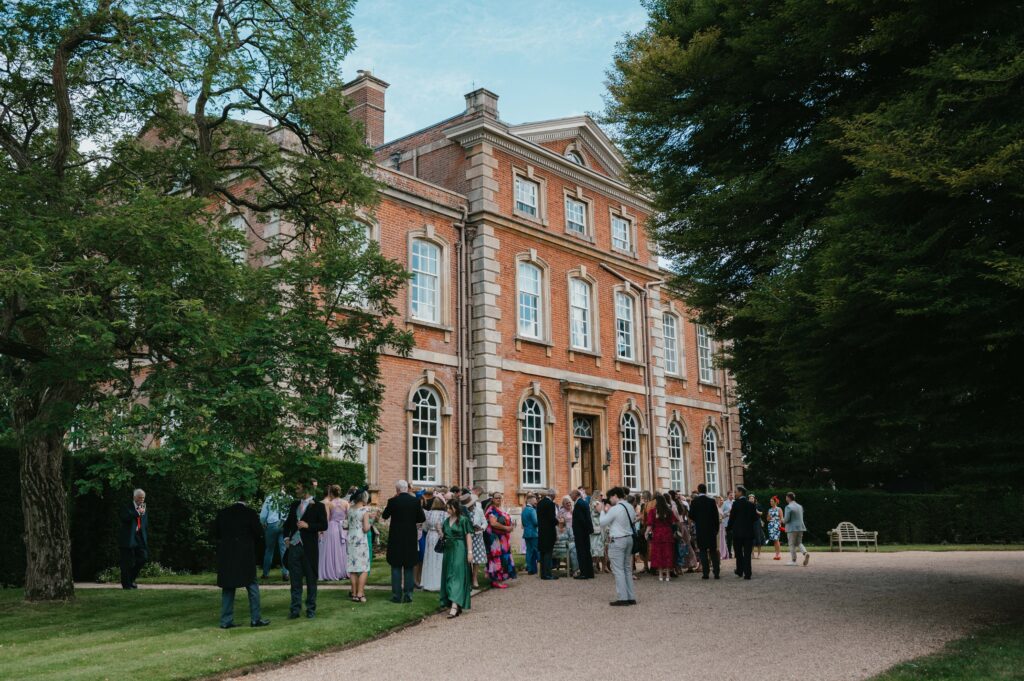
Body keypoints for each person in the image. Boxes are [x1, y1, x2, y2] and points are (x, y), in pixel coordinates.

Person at [213, 493, 269, 629]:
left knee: (228, 587)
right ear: (246, 499)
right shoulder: (250, 513)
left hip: (227, 554)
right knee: (252, 584)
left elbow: (215, 533)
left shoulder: (223, 513)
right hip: (245, 554)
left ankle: (226, 620)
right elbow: (259, 533)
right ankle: (255, 619)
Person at [282, 480, 328, 619]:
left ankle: (311, 609)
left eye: (298, 487)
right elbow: (288, 524)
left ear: (306, 489)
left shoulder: (319, 506)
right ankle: (295, 610)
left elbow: (324, 525)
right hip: (294, 547)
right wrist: (286, 538)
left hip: (309, 548)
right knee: (295, 580)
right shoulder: (295, 504)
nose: (296, 490)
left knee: (310, 580)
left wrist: (308, 525)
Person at [382, 479, 427, 603]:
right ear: (407, 488)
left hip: (396, 537)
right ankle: (408, 595)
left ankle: (396, 596)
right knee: (408, 566)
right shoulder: (415, 501)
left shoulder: (392, 501)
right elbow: (421, 518)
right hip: (410, 537)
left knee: (396, 566)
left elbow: (384, 516)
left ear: (397, 490)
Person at [599, 487, 636, 606]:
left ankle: (623, 598)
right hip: (629, 538)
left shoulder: (615, 509)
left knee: (618, 570)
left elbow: (602, 523)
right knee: (627, 569)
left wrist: (602, 511)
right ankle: (631, 596)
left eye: (610, 497)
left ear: (615, 496)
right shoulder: (630, 507)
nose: (610, 500)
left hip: (618, 539)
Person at [439, 498, 474, 619]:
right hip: (448, 550)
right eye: (447, 508)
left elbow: (468, 536)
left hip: (460, 549)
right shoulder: (445, 521)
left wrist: (470, 552)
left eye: (449, 507)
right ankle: (455, 602)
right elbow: (444, 537)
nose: (447, 510)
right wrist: (439, 531)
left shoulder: (463, 520)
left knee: (457, 576)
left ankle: (454, 605)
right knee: (449, 575)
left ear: (455, 508)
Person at [118, 488, 149, 590]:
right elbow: (124, 517)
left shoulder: (144, 507)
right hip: (128, 538)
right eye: (140, 498)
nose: (142, 500)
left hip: (139, 537)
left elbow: (144, 523)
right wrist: (137, 513)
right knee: (127, 562)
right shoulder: (127, 506)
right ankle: (126, 585)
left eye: (143, 498)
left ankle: (130, 579)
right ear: (134, 497)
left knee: (143, 558)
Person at [689, 483, 720, 579]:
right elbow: (716, 516)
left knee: (702, 551)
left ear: (698, 490)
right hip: (711, 529)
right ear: (706, 490)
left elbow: (691, 515)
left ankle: (705, 573)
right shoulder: (711, 501)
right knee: (713, 551)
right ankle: (716, 572)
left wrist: (698, 520)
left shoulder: (695, 501)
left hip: (701, 529)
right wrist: (716, 529)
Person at [345, 489, 372, 602]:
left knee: (353, 568)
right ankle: (360, 593)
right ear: (363, 498)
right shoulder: (364, 511)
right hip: (360, 539)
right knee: (364, 567)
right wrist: (371, 523)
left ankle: (354, 593)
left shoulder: (350, 509)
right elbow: (366, 529)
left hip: (350, 538)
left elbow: (345, 525)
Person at [259, 486, 291, 581]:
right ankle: (285, 573)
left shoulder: (270, 497)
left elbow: (263, 515)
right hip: (284, 524)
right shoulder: (289, 498)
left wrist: (263, 523)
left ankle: (265, 573)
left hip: (272, 524)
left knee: (269, 549)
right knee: (284, 549)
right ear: (284, 488)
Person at [726, 485, 757, 580]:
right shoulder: (751, 504)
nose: (735, 494)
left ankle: (740, 570)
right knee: (747, 554)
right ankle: (748, 573)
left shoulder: (736, 504)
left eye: (736, 492)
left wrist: (728, 528)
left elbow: (732, 518)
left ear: (740, 492)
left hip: (738, 533)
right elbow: (755, 518)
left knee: (738, 553)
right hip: (748, 532)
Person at [318, 485, 348, 581]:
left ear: (330, 493)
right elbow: (348, 517)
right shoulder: (346, 503)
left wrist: (321, 530)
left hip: (331, 527)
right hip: (343, 528)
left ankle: (331, 572)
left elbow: (326, 519)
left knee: (331, 550)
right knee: (341, 550)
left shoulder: (329, 503)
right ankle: (342, 572)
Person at [485, 492, 514, 588]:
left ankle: (500, 579)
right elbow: (493, 524)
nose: (498, 499)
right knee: (496, 559)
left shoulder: (499, 509)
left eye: (500, 498)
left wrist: (510, 526)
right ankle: (496, 580)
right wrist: (506, 528)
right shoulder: (491, 510)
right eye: (496, 498)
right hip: (495, 539)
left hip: (503, 539)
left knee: (503, 558)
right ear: (492, 499)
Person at [646, 494, 676, 582]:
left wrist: (646, 533)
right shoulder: (669, 511)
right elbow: (673, 522)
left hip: (657, 534)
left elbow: (650, 524)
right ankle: (667, 575)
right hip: (667, 533)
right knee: (667, 553)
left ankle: (660, 575)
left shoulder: (653, 511)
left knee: (658, 554)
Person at [420, 497, 447, 591]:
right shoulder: (445, 514)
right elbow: (446, 526)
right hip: (439, 535)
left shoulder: (428, 513)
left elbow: (425, 527)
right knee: (439, 558)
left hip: (430, 535)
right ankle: (439, 582)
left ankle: (428, 582)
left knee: (429, 557)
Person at [571, 489, 594, 579]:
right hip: (585, 532)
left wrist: (581, 531)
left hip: (581, 532)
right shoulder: (583, 502)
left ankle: (584, 573)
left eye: (571, 494)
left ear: (576, 495)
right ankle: (589, 572)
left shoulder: (579, 504)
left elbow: (581, 519)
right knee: (586, 552)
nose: (570, 496)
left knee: (581, 552)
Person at [466, 493, 487, 588]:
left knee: (476, 560)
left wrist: (481, 528)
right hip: (466, 537)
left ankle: (474, 579)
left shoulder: (479, 510)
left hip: (477, 536)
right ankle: (467, 579)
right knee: (466, 559)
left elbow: (485, 522)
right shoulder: (463, 512)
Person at [537, 488, 558, 580]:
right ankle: (548, 574)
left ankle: (543, 573)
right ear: (553, 496)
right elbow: (552, 519)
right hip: (549, 532)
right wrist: (558, 521)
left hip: (541, 531)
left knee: (542, 553)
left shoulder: (540, 503)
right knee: (548, 553)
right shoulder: (550, 504)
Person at [783, 492, 810, 566]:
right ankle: (805, 553)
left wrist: (781, 520)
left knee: (791, 544)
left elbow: (786, 520)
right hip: (800, 527)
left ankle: (793, 561)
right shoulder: (800, 506)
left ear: (788, 498)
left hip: (792, 528)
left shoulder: (788, 507)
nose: (786, 498)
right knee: (799, 543)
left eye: (786, 497)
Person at [521, 492, 539, 575]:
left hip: (526, 533)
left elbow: (523, 523)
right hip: (533, 533)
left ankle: (531, 569)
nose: (536, 503)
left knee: (529, 551)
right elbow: (536, 522)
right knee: (536, 550)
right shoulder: (532, 510)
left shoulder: (524, 510)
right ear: (530, 501)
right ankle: (541, 568)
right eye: (535, 501)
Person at [590, 492, 607, 574]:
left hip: (594, 528)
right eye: (601, 495)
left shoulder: (591, 503)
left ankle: (596, 566)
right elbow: (602, 513)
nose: (602, 496)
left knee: (594, 549)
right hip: (598, 528)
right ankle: (603, 568)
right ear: (597, 496)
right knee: (600, 548)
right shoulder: (596, 503)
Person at [767, 496, 784, 560]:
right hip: (771, 525)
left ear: (775, 502)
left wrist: (779, 524)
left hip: (777, 525)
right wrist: (769, 517)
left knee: (777, 540)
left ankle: (778, 554)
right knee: (774, 540)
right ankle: (776, 554)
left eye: (771, 501)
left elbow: (781, 518)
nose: (770, 502)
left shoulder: (779, 509)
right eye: (770, 501)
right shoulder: (769, 509)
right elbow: (767, 519)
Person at [750, 494, 765, 559]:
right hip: (750, 523)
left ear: (754, 499)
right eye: (750, 498)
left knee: (758, 538)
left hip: (757, 523)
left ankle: (759, 554)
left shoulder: (758, 505)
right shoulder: (747, 505)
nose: (751, 499)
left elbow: (761, 513)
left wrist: (756, 511)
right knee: (751, 538)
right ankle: (752, 554)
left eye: (752, 498)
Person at [722, 491, 735, 559]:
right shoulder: (724, 503)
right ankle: (729, 553)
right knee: (729, 539)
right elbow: (722, 513)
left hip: (734, 524)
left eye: (733, 495)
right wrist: (728, 512)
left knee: (735, 539)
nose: (732, 496)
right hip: (727, 523)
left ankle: (736, 553)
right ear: (727, 496)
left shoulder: (735, 502)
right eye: (730, 495)